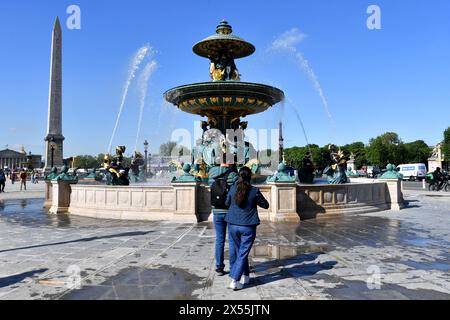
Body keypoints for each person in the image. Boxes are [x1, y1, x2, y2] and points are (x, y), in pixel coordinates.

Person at [225, 166, 269, 290]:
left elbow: (227, 203)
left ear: (239, 176)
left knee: (239, 252)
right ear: (250, 177)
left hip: (233, 225)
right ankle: (234, 279)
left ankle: (245, 276)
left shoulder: (233, 188)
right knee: (242, 254)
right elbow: (266, 205)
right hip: (248, 226)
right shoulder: (254, 191)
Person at [210, 163, 238, 276]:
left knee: (219, 240)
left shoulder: (213, 172)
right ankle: (233, 266)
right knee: (232, 240)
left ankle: (219, 267)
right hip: (230, 212)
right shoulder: (233, 175)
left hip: (217, 212)